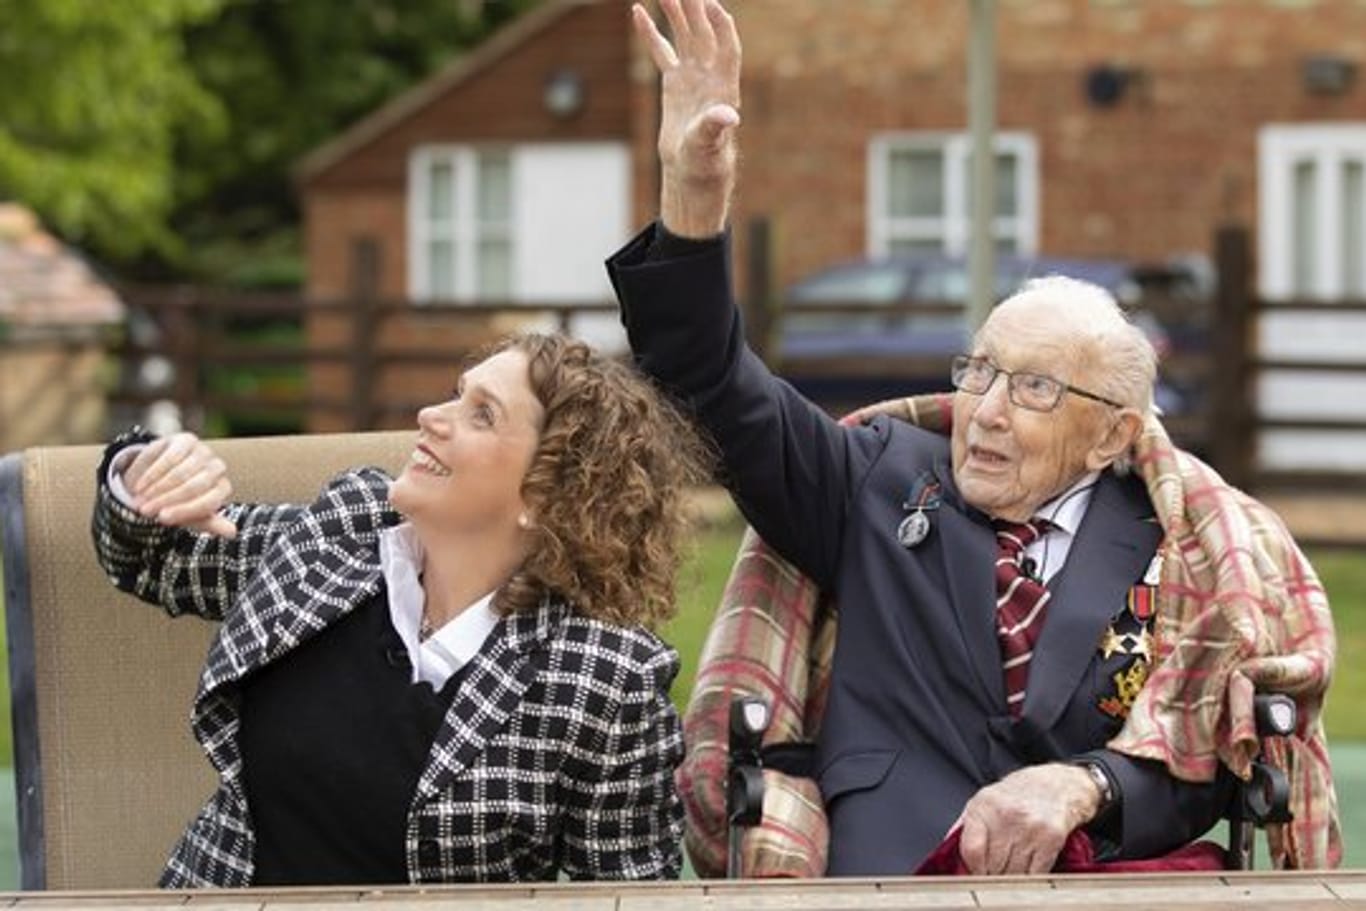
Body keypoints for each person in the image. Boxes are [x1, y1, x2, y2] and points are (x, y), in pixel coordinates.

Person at [608, 0, 1339, 877]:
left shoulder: (1179, 542)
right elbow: (708, 382)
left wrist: (1088, 785)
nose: (986, 410)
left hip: (1096, 887)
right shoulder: (873, 479)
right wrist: (695, 193)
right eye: (980, 370)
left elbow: (1218, 767)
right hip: (888, 882)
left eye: (1033, 388)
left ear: (1110, 432)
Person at [91, 332, 711, 888]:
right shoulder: (344, 528)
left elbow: (631, 896)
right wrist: (142, 478)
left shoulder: (603, 679)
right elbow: (154, 560)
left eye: (482, 415)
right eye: (454, 394)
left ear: (546, 492)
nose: (430, 417)